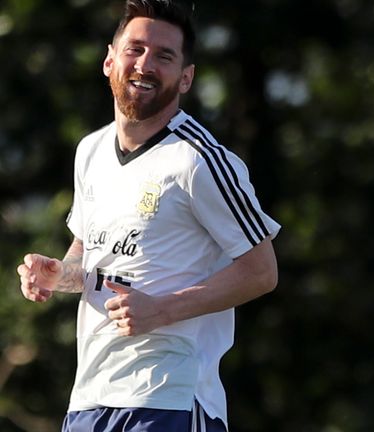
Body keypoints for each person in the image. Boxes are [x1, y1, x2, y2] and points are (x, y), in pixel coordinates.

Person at [16, 1, 280, 430]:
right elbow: (89, 258)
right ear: (109, 60)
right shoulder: (91, 151)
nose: (145, 64)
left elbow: (261, 271)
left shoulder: (201, 160)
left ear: (186, 77)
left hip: (169, 396)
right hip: (89, 397)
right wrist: (59, 273)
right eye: (135, 49)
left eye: (164, 56)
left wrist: (162, 310)